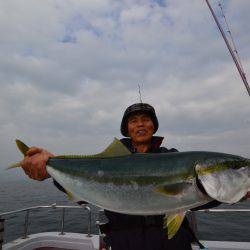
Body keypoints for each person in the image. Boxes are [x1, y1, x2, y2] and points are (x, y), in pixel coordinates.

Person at [20, 103, 250, 250]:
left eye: (146, 119)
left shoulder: (171, 157)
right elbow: (86, 182)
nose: (140, 124)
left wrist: (233, 192)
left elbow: (198, 196)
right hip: (125, 242)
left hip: (171, 244)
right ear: (127, 129)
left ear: (153, 126)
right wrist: (49, 167)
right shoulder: (110, 161)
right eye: (134, 121)